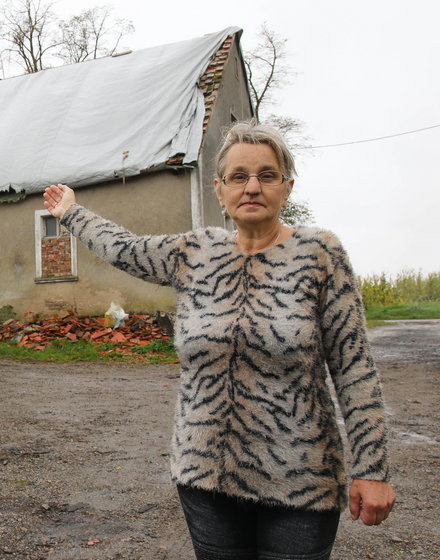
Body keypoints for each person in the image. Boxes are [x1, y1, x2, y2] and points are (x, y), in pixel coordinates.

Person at [43, 120, 395, 560]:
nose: (252, 187)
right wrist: (71, 212)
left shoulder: (319, 254)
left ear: (286, 187)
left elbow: (354, 368)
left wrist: (372, 469)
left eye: (267, 175)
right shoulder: (195, 252)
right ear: (219, 189)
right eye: (238, 177)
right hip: (204, 478)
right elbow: (124, 249)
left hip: (301, 480)